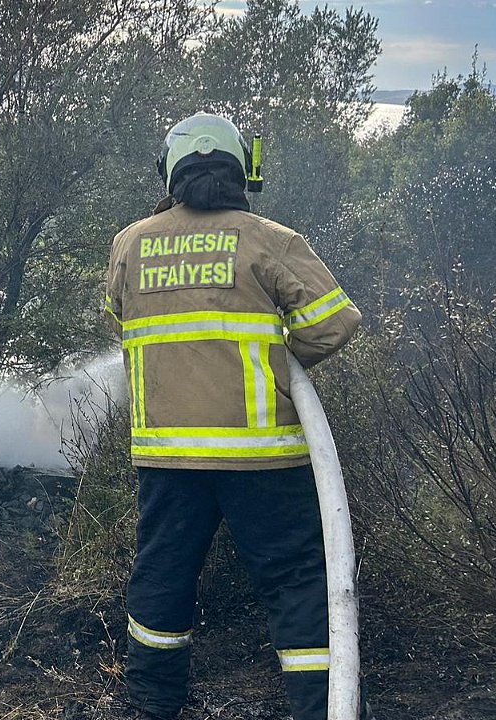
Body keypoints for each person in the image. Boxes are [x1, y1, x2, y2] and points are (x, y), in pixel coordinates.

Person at [102, 113, 366, 720]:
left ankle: (153, 703)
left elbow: (121, 319)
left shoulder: (131, 244)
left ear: (169, 171)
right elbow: (335, 323)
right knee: (296, 584)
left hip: (170, 458)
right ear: (242, 168)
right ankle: (323, 707)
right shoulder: (269, 239)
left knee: (162, 578)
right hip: (264, 457)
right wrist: (276, 361)